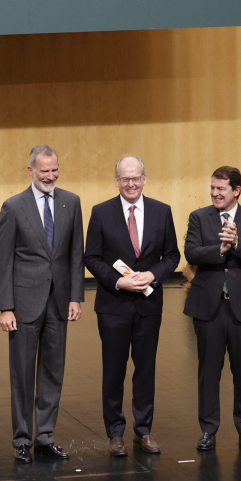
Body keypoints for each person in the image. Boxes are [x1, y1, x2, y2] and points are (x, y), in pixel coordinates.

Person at [84, 156, 181, 455]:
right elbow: (92, 259)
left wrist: (153, 274)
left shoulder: (162, 211)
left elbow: (173, 256)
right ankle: (115, 434)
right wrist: (118, 281)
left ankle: (143, 431)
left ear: (144, 179)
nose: (131, 184)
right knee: (113, 371)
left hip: (149, 307)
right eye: (125, 179)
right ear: (116, 180)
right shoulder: (101, 213)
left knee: (145, 370)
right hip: (113, 305)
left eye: (136, 178)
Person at [0, 145, 85, 463]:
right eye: (44, 170)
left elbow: (76, 253)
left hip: (59, 301)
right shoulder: (13, 207)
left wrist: (76, 295)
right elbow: (3, 261)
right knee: (21, 372)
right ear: (30, 170)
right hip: (23, 303)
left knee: (52, 370)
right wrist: (5, 306)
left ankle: (45, 436)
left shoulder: (71, 202)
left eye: (55, 169)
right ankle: (22, 438)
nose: (51, 176)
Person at [184, 166, 241, 451]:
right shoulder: (199, 217)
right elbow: (191, 252)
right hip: (208, 307)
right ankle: (208, 429)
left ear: (236, 190)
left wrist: (237, 243)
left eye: (221, 188)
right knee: (209, 371)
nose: (215, 193)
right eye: (212, 188)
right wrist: (219, 250)